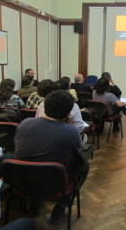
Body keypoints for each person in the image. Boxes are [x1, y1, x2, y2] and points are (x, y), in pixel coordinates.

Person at [14, 90, 89, 223]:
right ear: (68, 112)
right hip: (55, 184)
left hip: (22, 182)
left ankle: (34, 204)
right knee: (84, 166)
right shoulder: (71, 130)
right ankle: (61, 206)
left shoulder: (25, 123)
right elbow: (77, 152)